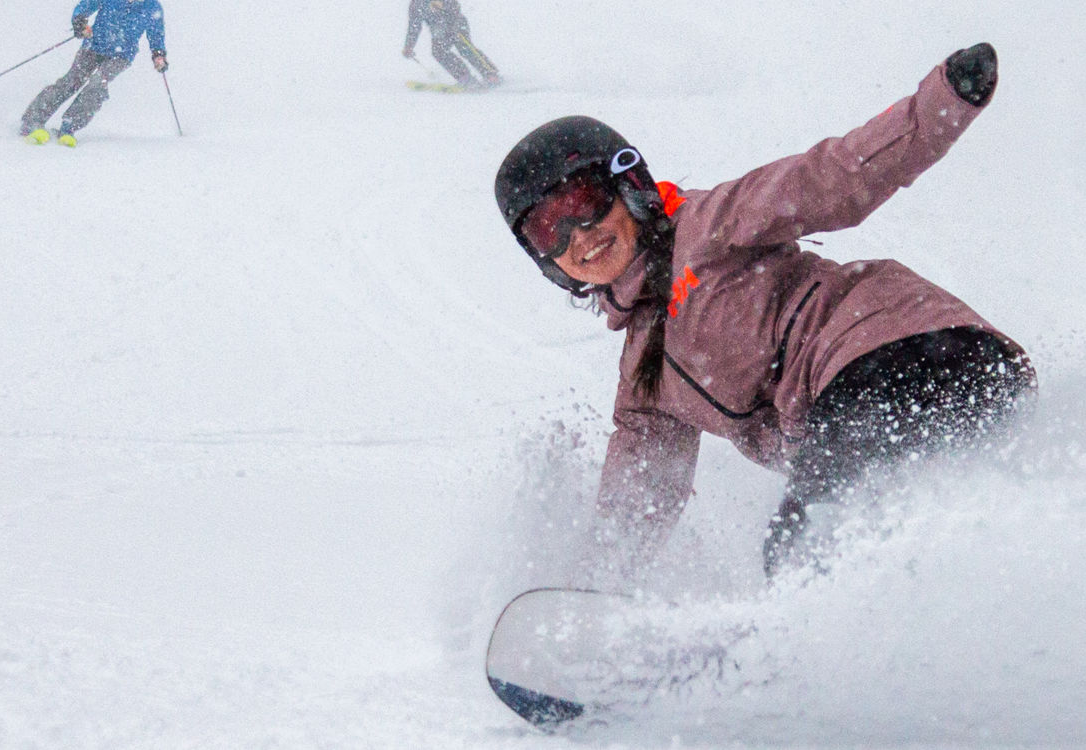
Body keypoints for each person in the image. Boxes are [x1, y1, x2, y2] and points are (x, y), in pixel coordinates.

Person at [492, 44, 1026, 578]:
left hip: (906, 355)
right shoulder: (645, 380)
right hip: (890, 401)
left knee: (807, 549)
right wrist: (596, 586)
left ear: (627, 185)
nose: (577, 236)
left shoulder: (709, 225)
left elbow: (834, 177)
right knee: (871, 557)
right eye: (548, 229)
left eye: (583, 204)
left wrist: (942, 102)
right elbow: (637, 503)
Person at [20, 0, 168, 146]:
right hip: (93, 46)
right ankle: (33, 120)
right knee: (72, 81)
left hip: (121, 56)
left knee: (98, 84)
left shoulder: (152, 6)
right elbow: (85, 5)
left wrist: (158, 54)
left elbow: (156, 34)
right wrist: (79, 22)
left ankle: (69, 127)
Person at [403, 0, 500, 89]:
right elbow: (414, 27)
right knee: (438, 52)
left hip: (456, 24)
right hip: (439, 31)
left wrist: (445, 10)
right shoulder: (415, 5)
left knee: (465, 48)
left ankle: (490, 74)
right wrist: (409, 46)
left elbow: (455, 6)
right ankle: (465, 77)